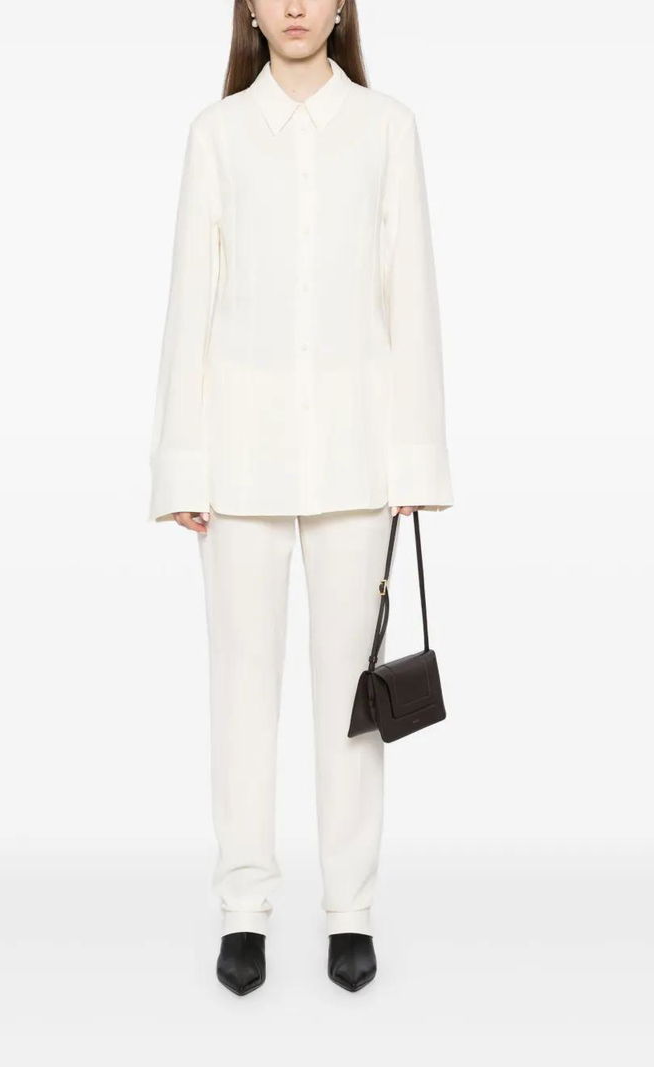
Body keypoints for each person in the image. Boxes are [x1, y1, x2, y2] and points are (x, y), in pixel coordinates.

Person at [147, 0, 454, 996]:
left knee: (351, 702)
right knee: (240, 692)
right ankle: (243, 908)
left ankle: (348, 908)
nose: (293, 6)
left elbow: (409, 297)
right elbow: (191, 300)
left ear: (341, 6)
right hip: (237, 460)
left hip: (355, 458)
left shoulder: (387, 127)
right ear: (246, 8)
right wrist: (182, 464)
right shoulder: (217, 132)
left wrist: (414, 462)